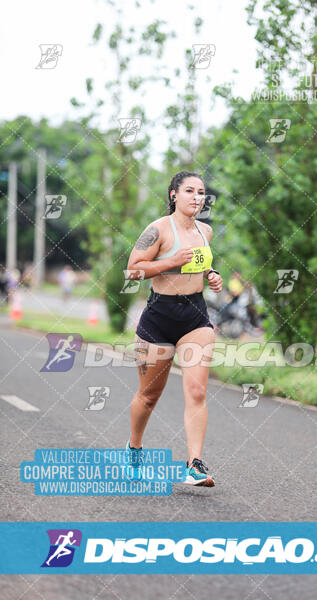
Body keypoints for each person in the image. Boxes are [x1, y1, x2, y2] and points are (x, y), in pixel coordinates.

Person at [126, 171, 223, 487]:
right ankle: (135, 448)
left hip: (195, 316)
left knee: (197, 391)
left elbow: (199, 264)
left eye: (201, 192)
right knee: (149, 396)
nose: (197, 197)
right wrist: (170, 262)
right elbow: (133, 271)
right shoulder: (157, 230)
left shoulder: (205, 231)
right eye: (190, 191)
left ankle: (194, 464)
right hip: (159, 318)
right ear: (173, 195)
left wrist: (212, 276)